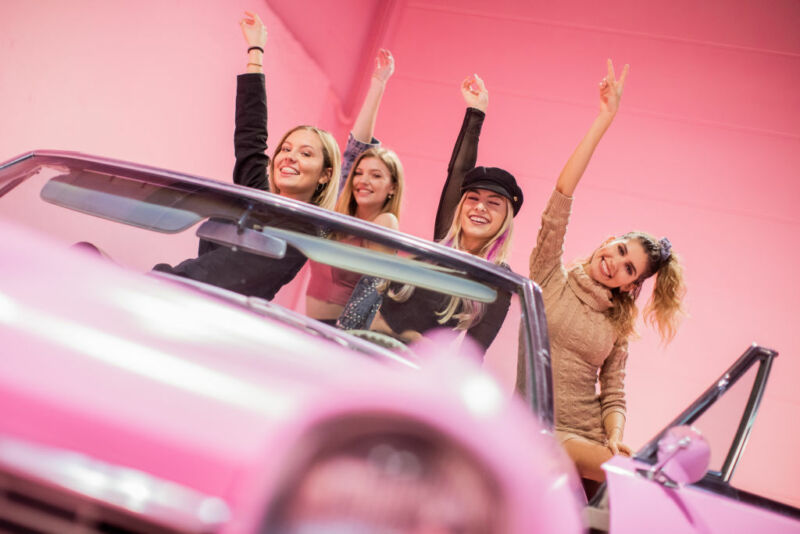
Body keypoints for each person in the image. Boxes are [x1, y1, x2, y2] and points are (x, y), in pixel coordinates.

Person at [523, 60, 686, 484]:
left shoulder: (618, 322)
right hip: (534, 428)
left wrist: (614, 436)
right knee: (637, 480)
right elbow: (562, 196)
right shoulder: (548, 277)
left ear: (631, 284)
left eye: (627, 266)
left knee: (629, 479)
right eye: (618, 248)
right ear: (609, 240)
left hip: (585, 436)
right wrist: (604, 120)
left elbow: (613, 391)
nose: (614, 261)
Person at [153, 11, 341, 301]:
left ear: (325, 174)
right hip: (182, 304)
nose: (289, 157)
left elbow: (212, 277)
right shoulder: (259, 198)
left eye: (305, 153)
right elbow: (250, 140)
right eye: (286, 149)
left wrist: (154, 282)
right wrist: (256, 52)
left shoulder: (304, 232)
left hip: (208, 319)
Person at [367, 74, 524, 355]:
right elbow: (458, 173)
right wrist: (476, 112)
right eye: (473, 198)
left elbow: (473, 355)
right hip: (359, 343)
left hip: (408, 374)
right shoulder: (443, 244)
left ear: (506, 219)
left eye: (493, 203)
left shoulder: (497, 277)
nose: (479, 207)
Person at [305, 49, 405, 325]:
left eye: (376, 176)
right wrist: (377, 83)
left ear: (392, 188)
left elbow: (372, 289)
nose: (363, 180)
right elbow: (353, 151)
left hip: (342, 332)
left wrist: (343, 336)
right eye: (359, 174)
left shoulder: (385, 221)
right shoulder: (339, 214)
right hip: (309, 327)